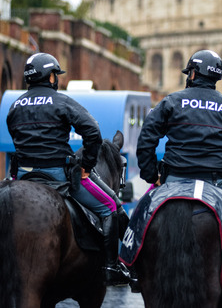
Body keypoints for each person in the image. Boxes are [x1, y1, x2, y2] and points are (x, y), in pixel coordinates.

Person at [136, 49, 222, 298]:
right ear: (216, 77)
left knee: (138, 218)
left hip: (172, 180)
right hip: (217, 184)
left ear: (192, 73)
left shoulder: (171, 101)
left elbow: (146, 138)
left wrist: (152, 175)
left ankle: (131, 269)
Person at [6, 52, 130, 286]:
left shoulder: (15, 105)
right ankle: (111, 267)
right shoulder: (61, 101)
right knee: (110, 206)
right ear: (50, 77)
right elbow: (92, 131)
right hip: (57, 176)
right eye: (55, 75)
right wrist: (86, 165)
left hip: (22, 175)